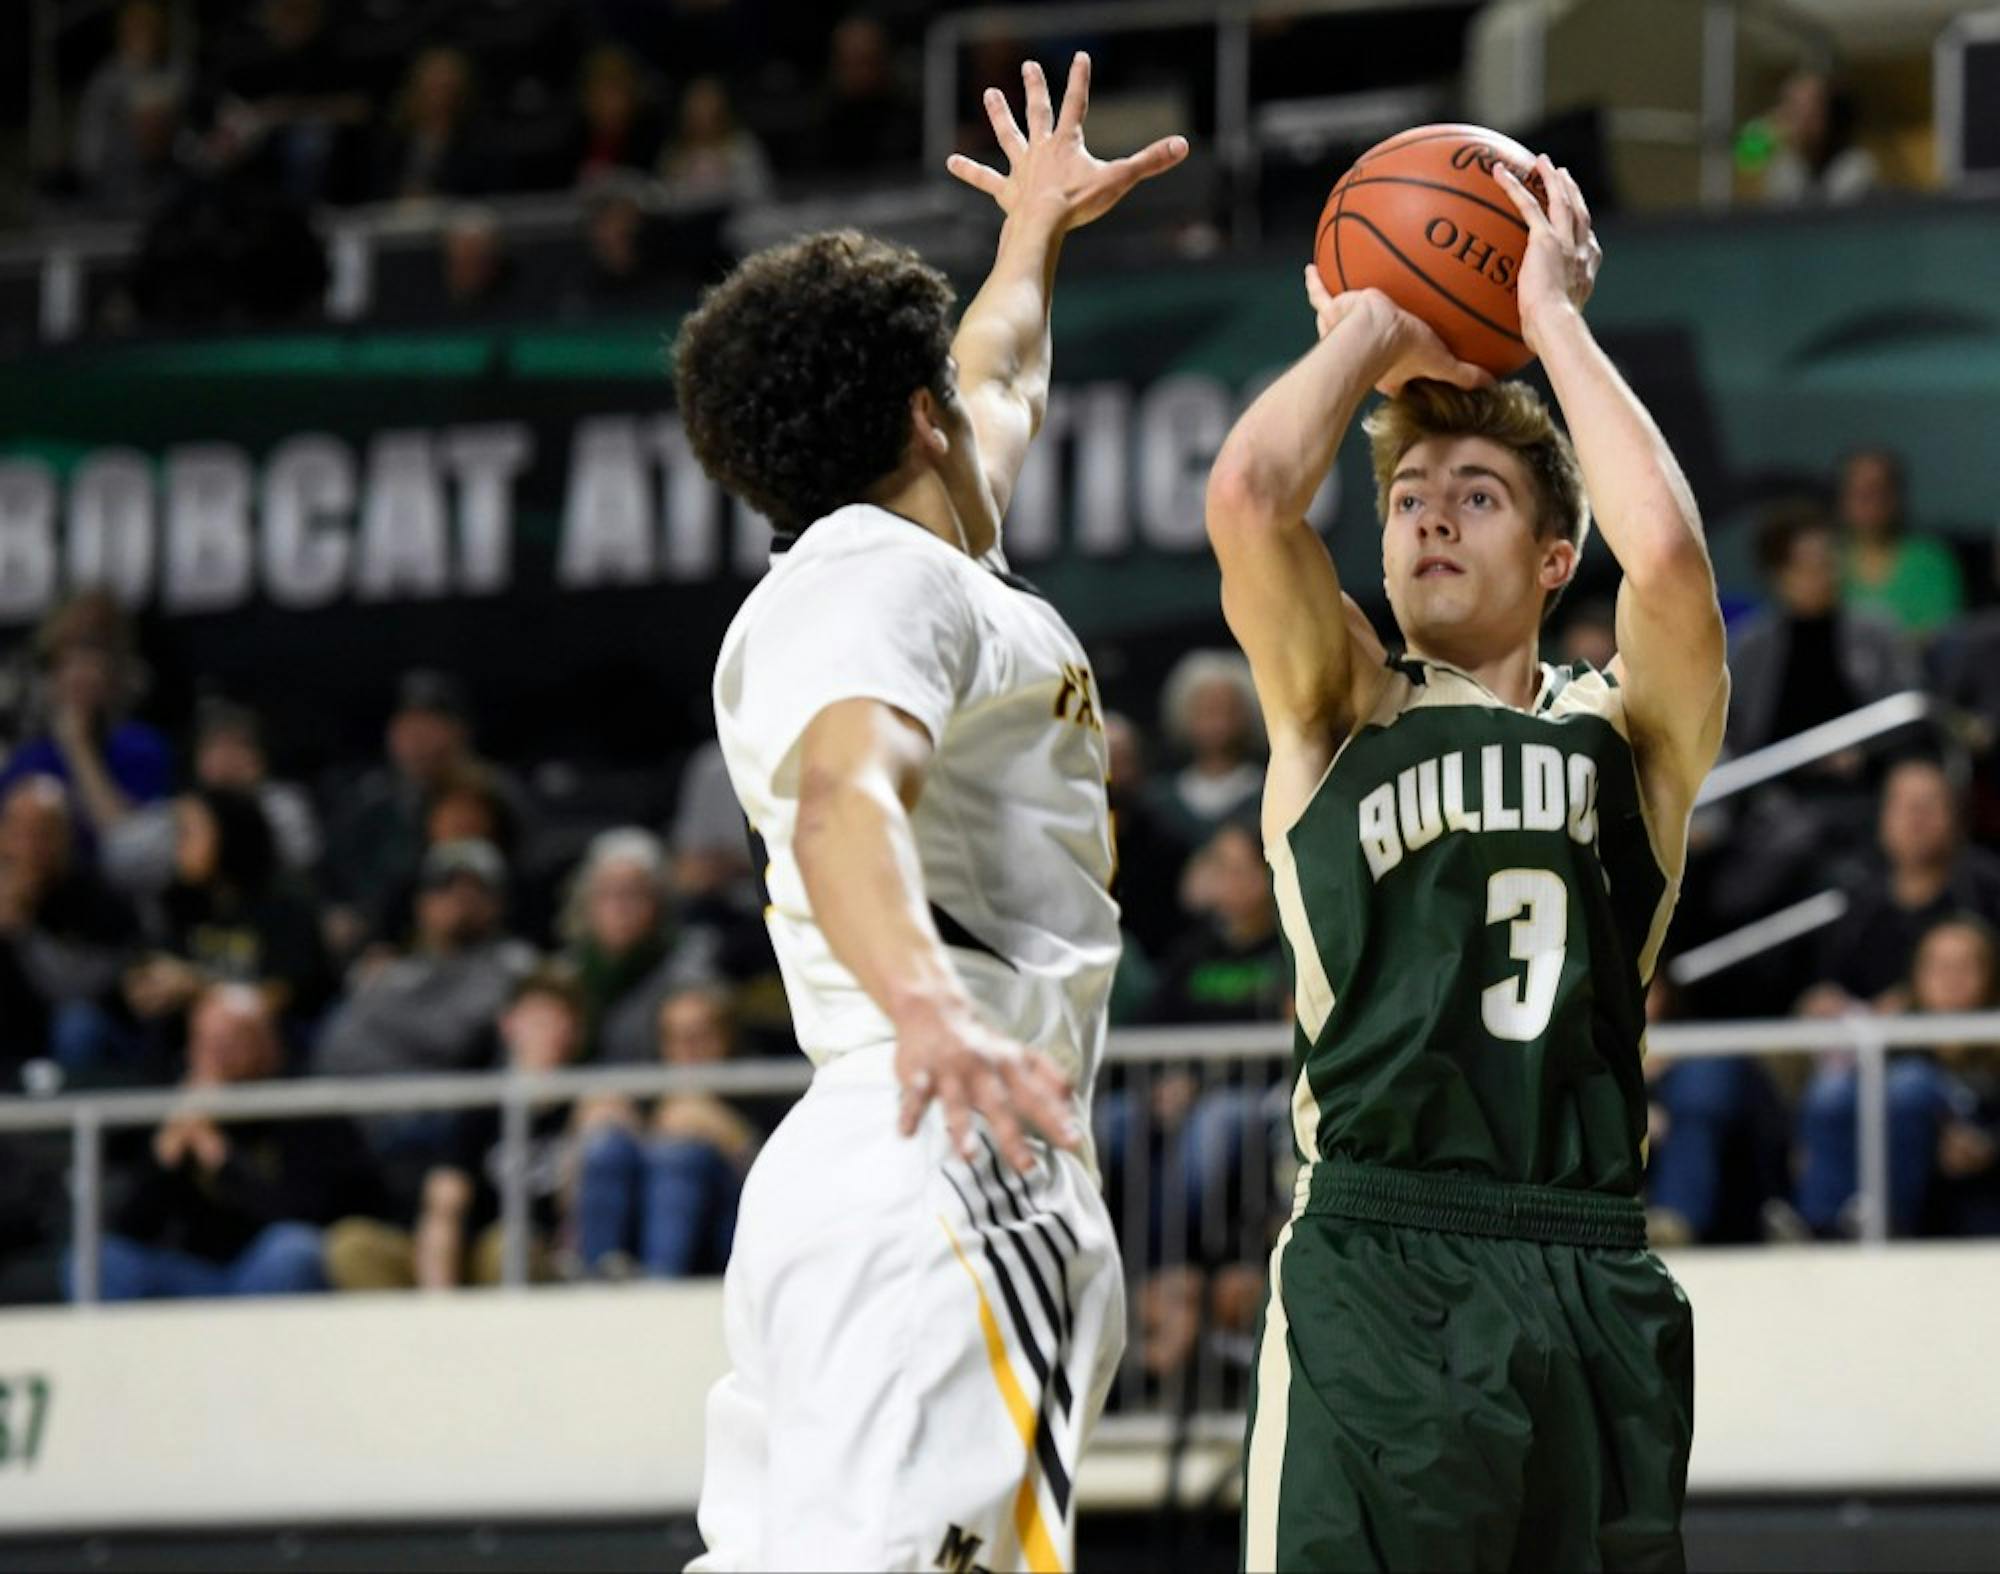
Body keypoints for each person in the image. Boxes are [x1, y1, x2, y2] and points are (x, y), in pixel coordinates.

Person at [678, 54, 1184, 1569]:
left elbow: (1003, 375)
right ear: (918, 419)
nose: (982, 404)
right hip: (948, 1150)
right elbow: (846, 798)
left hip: (857, 1162)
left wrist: (1033, 233)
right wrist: (931, 1012)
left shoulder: (916, 562)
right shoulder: (879, 579)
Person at [1209, 154, 1726, 1569]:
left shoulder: (1627, 734)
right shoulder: (1339, 702)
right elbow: (1248, 495)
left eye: (1478, 495)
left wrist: (1549, 317)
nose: (1430, 515)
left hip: (1587, 1252)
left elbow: (1668, 561)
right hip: (1380, 1250)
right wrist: (1374, 326)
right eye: (1407, 498)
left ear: (1557, 557)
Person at [76, 984, 382, 1301]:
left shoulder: (304, 1106)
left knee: (293, 1250)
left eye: (229, 1042)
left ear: (266, 1043)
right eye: (204, 1042)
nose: (214, 1056)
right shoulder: (176, 1107)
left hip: (266, 1270)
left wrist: (219, 1158)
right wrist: (165, 1157)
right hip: (196, 1275)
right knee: (100, 1261)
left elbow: (303, 1217)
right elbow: (132, 1229)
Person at [322, 965, 582, 1291]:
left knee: (506, 1246)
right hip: (463, 1254)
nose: (551, 1033)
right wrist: (440, 1300)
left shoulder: (587, 1099)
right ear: (509, 1024)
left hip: (534, 1255)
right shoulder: (480, 1103)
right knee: (352, 1245)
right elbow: (445, 1203)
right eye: (539, 1020)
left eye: (561, 1022)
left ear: (576, 1032)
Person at [1795, 916, 1997, 1238]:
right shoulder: (1891, 1040)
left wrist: (1988, 1149)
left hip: (1961, 1204)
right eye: (1938, 967)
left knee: (1911, 1083)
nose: (1951, 979)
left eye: (1964, 967)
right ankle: (1820, 1225)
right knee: (1832, 1090)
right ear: (1916, 975)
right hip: (1865, 1194)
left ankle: (1886, 1223)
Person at [574, 983, 761, 1278]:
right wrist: (590, 1129)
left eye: (700, 1034)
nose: (687, 1048)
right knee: (608, 1149)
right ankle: (597, 1280)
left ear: (726, 1037)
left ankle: (660, 1286)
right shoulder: (647, 1092)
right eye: (674, 1036)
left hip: (721, 1240)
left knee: (680, 1157)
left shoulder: (759, 1091)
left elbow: (784, 1193)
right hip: (634, 1240)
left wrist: (726, 1132)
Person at [314, 839, 534, 1080]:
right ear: (422, 903)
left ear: (498, 902)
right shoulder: (397, 969)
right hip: (381, 1094)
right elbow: (338, 1049)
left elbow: (452, 1037)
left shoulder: (515, 964)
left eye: (475, 887)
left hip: (469, 1096)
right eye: (445, 886)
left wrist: (383, 1008)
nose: (460, 898)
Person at [1803, 757, 2000, 1013]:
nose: (1915, 819)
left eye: (1928, 805)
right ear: (1881, 819)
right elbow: (1835, 986)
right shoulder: (1859, 903)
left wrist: (1913, 1002)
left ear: (1956, 816)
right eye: (1903, 805)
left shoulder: (1987, 889)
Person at [0, 592, 173, 842]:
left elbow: (128, 845)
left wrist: (79, 748)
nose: (78, 676)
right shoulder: (32, 758)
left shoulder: (140, 748)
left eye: (91, 665)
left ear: (114, 677)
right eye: (67, 665)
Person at [0, 777, 138, 1081]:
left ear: (65, 837)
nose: (28, 845)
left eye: (42, 832)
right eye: (17, 830)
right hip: (14, 1036)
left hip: (91, 1040)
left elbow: (74, 989)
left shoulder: (97, 893)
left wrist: (23, 929)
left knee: (76, 1022)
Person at [1836, 447, 1962, 639]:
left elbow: (1941, 632)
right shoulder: (1825, 560)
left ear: (1897, 495)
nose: (1868, 501)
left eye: (1878, 490)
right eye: (1858, 491)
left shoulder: (1930, 560)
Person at [1150, 650, 1267, 851]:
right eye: (1206, 709)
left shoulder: (1268, 794)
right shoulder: (1159, 802)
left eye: (1228, 709)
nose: (1217, 722)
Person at [1758, 67, 1879, 206]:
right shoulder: (1783, 165)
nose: (1800, 120)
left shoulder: (1856, 166)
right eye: (1790, 108)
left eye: (1807, 110)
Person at [659, 77, 772, 208]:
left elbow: (758, 191)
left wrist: (727, 174)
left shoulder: (740, 146)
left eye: (709, 108)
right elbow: (664, 195)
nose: (703, 117)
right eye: (696, 109)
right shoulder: (675, 152)